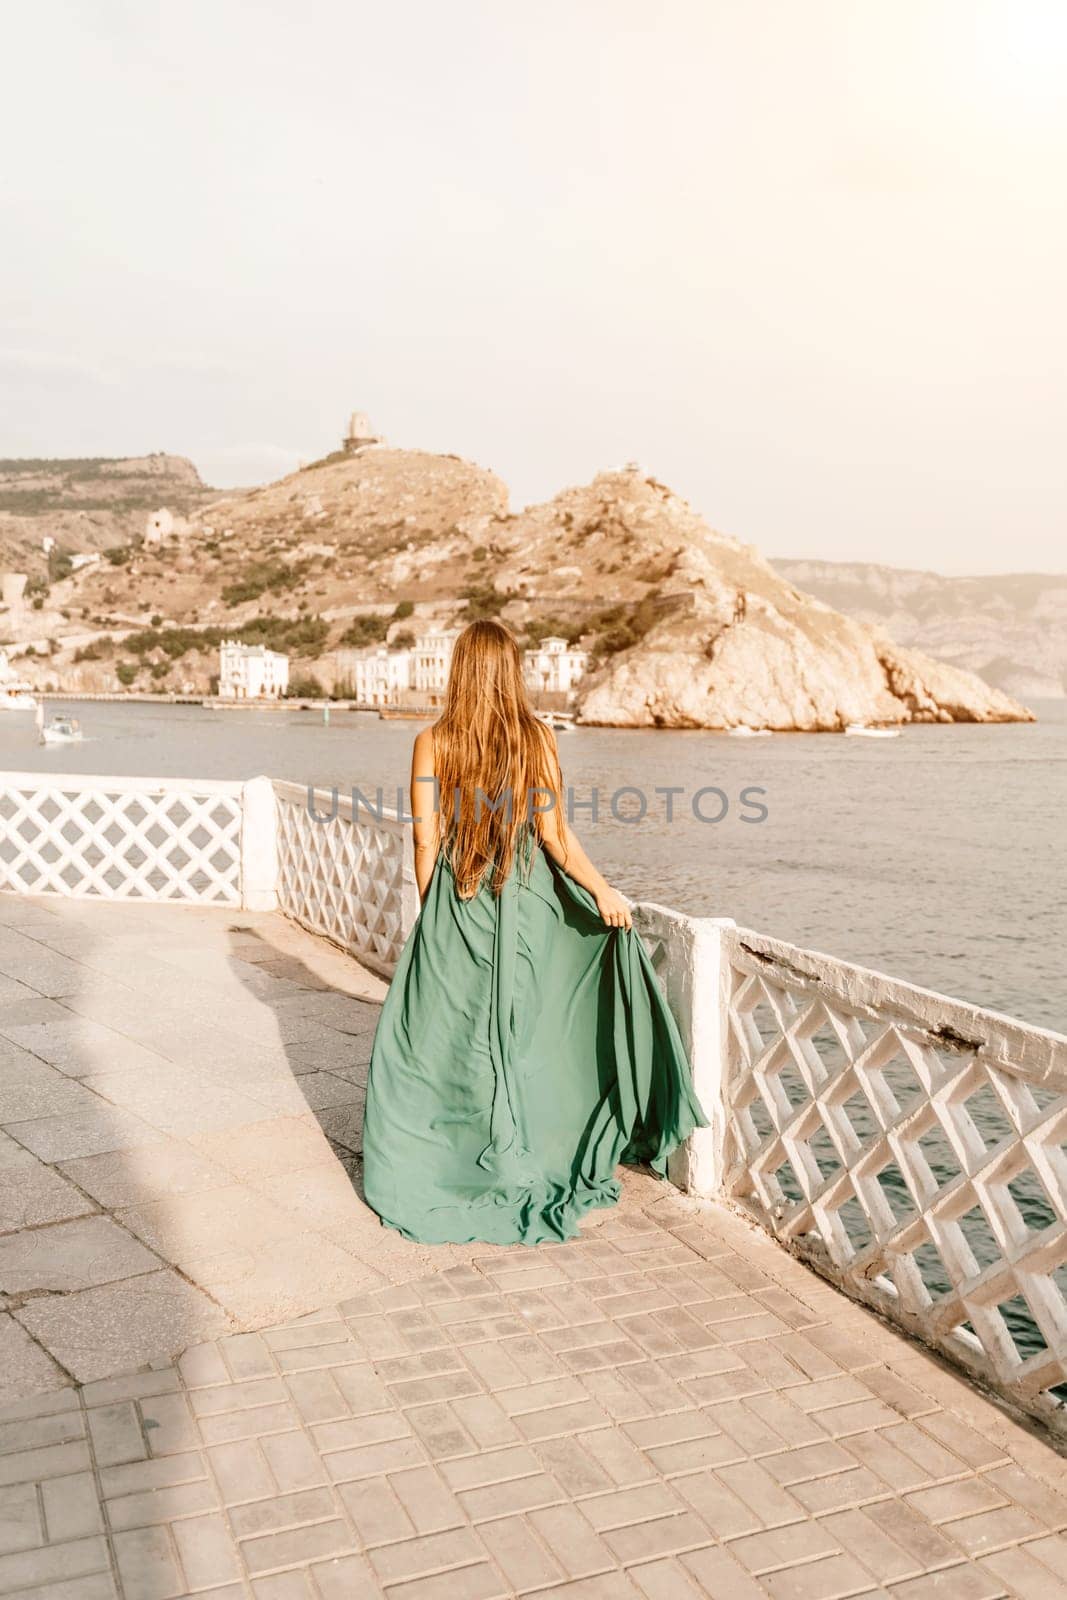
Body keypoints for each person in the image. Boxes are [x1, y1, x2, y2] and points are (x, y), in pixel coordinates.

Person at [362, 619, 706, 1246]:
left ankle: (447, 1155)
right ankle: (529, 1146)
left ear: (459, 670)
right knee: (523, 1031)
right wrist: (602, 891)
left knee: (446, 1039)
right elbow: (553, 837)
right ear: (513, 670)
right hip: (524, 902)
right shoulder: (536, 739)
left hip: (457, 901)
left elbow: (424, 840)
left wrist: (431, 911)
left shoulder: (432, 741)